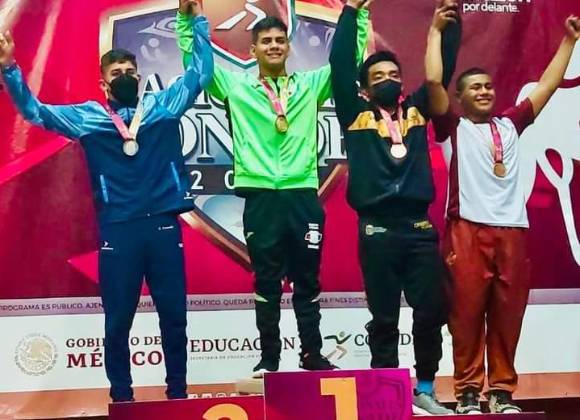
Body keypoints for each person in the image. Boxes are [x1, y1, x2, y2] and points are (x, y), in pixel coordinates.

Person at [0, 1, 213, 402]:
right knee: (117, 321)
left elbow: (201, 73)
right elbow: (34, 111)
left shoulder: (162, 107)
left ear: (140, 75)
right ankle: (122, 397)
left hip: (163, 225)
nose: (125, 77)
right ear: (103, 84)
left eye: (130, 71)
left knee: (174, 318)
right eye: (117, 74)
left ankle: (178, 396)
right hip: (119, 229)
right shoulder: (88, 117)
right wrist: (9, 68)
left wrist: (195, 20)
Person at [175, 0, 370, 377]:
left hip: (303, 196)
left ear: (289, 47)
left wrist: (359, 14)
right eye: (266, 41)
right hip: (261, 198)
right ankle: (269, 358)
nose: (274, 46)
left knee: (307, 280)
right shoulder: (234, 86)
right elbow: (196, 65)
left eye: (280, 40)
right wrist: (186, 20)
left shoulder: (311, 85)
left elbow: (348, 61)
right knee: (266, 282)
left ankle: (312, 353)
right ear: (253, 50)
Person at [432, 15, 580, 415]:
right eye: (474, 87)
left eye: (487, 86)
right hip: (467, 231)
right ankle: (466, 393)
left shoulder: (511, 124)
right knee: (465, 317)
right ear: (460, 97)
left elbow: (547, 85)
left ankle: (500, 392)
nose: (483, 91)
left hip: (512, 232)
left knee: (507, 316)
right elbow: (432, 83)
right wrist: (435, 33)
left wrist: (569, 42)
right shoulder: (453, 127)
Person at [329, 0, 461, 415]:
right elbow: (338, 65)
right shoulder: (355, 114)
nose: (388, 80)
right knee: (384, 317)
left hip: (419, 228)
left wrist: (449, 22)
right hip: (377, 229)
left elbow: (445, 68)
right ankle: (387, 390)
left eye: (393, 75)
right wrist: (350, 12)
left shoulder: (417, 111)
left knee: (431, 312)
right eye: (378, 77)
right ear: (364, 89)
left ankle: (425, 388)